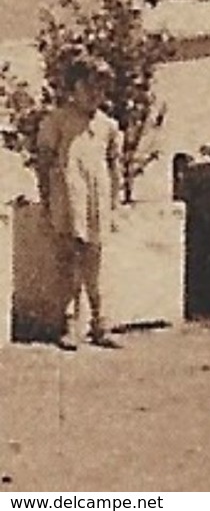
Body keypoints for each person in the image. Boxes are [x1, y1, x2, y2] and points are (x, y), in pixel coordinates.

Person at [35, 57, 123, 350]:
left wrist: (114, 203)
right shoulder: (57, 120)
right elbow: (45, 163)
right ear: (73, 87)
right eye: (89, 87)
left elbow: (114, 167)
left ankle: (101, 324)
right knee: (69, 262)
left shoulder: (108, 126)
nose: (96, 94)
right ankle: (69, 324)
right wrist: (47, 200)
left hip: (97, 199)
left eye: (101, 88)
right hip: (69, 198)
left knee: (94, 264)